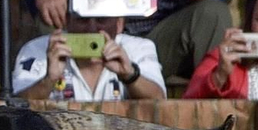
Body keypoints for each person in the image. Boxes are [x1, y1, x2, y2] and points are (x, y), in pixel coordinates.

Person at [22, 0, 231, 91]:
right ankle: (53, 108)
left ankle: (209, 113)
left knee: (214, 13)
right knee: (52, 18)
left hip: (164, 33)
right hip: (95, 28)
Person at [14, 12, 166, 100]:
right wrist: (49, 80)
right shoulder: (37, 49)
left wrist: (129, 75)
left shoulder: (138, 48)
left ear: (119, 23)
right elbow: (16, 108)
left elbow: (159, 102)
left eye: (102, 19)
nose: (92, 28)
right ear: (67, 21)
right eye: (82, 19)